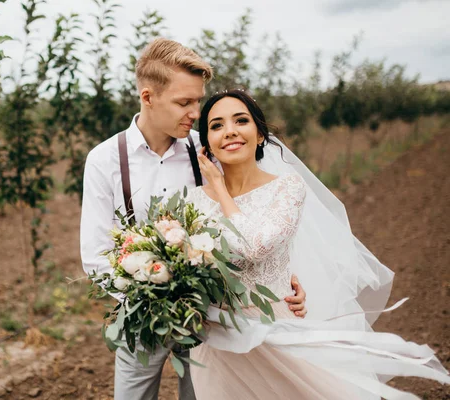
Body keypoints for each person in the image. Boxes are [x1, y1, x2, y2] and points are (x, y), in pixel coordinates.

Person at [80, 39, 307, 400]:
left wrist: (282, 283)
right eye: (184, 102)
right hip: (141, 319)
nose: (194, 112)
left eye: (197, 101)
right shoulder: (105, 160)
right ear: (148, 97)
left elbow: (256, 214)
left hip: (210, 318)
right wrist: (151, 298)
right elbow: (95, 255)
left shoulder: (209, 148)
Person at [187, 89, 450, 399]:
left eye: (240, 120)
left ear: (259, 135)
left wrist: (219, 188)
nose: (229, 130)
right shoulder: (193, 202)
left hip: (276, 331)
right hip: (217, 342)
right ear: (207, 143)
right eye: (216, 125)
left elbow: (255, 247)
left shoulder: (286, 187)